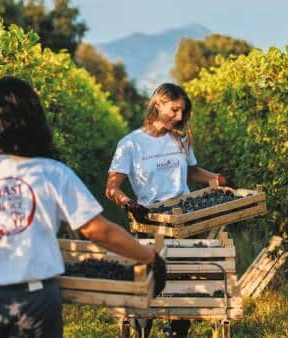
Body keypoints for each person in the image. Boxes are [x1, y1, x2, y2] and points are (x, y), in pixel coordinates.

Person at [0, 76, 166, 338]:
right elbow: (99, 231)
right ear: (33, 122)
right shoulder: (52, 173)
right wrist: (149, 257)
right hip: (34, 301)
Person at [106, 83, 227, 337]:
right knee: (149, 289)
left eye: (183, 111)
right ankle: (143, 331)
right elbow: (112, 187)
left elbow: (192, 171)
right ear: (158, 104)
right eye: (174, 110)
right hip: (148, 222)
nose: (179, 117)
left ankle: (177, 331)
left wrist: (217, 178)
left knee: (184, 288)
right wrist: (129, 203)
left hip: (184, 222)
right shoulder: (130, 144)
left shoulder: (180, 139)